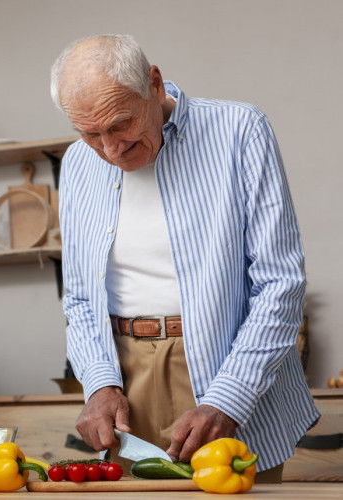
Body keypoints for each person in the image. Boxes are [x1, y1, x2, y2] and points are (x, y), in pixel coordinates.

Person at [50, 34, 319, 482]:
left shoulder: (240, 130)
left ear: (153, 85)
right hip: (125, 383)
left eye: (120, 124)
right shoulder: (78, 163)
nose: (111, 150)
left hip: (229, 370)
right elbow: (79, 297)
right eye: (91, 133)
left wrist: (227, 400)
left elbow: (280, 284)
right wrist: (98, 382)